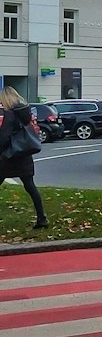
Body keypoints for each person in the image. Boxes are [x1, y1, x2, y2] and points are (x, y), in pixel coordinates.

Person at [0, 85, 48, 230]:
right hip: (24, 154)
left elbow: (5, 136)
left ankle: (42, 219)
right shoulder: (25, 112)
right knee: (30, 186)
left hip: (9, 156)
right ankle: (42, 218)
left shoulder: (10, 114)